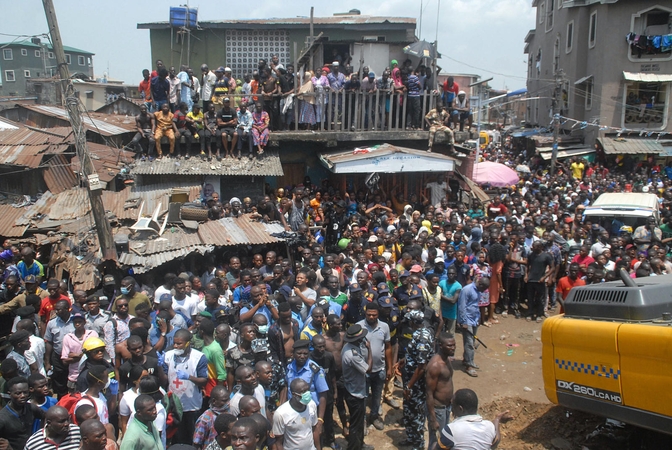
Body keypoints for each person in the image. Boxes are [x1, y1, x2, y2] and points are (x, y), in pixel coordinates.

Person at [164, 328, 208, 444]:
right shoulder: (168, 356)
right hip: (174, 405)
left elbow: (204, 380)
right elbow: (164, 380)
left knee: (192, 437)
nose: (175, 346)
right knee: (177, 438)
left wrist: (189, 377)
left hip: (192, 405)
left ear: (188, 343)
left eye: (179, 343)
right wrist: (159, 367)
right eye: (174, 343)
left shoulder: (198, 357)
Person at [400, 309, 434, 450]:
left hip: (416, 384)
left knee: (417, 414)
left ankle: (418, 445)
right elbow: (413, 355)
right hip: (409, 380)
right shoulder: (417, 334)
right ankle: (411, 438)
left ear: (414, 322)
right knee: (408, 410)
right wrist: (404, 360)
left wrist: (409, 385)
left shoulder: (423, 338)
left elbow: (421, 367)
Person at [438, 388, 512, 450]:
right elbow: (496, 441)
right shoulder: (489, 426)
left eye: (452, 405)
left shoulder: (451, 430)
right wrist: (497, 419)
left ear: (460, 409)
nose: (451, 409)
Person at [356, 302, 391, 431]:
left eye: (374, 315)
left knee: (377, 396)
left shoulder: (384, 327)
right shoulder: (359, 326)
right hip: (363, 370)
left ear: (378, 314)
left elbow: (388, 348)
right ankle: (363, 421)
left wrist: (390, 367)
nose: (371, 317)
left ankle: (374, 417)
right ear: (365, 313)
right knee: (363, 397)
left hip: (379, 369)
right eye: (369, 314)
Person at [341, 324, 373, 450]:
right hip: (355, 394)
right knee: (356, 424)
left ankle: (360, 444)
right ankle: (354, 447)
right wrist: (370, 350)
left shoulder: (349, 347)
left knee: (359, 423)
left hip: (354, 389)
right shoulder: (352, 355)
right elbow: (368, 369)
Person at [425, 333, 456, 450]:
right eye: (449, 346)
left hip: (447, 407)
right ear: (440, 346)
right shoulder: (435, 366)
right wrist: (433, 418)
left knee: (445, 440)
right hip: (438, 410)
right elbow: (429, 393)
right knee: (437, 442)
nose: (453, 348)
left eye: (454, 345)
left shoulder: (447, 360)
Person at [0, 376, 46, 450]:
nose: (23, 396)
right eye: (18, 393)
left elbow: (46, 416)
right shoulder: (3, 418)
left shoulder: (31, 408)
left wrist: (42, 433)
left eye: (25, 392)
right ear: (9, 394)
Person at [272, 378, 319, 450]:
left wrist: (318, 448)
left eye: (307, 390)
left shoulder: (312, 405)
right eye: (303, 392)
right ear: (294, 394)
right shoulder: (281, 413)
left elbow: (315, 430)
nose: (307, 393)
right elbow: (278, 442)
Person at [457, 277, 490, 377]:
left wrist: (478, 318)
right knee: (469, 343)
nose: (484, 291)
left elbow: (475, 305)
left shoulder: (478, 290)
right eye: (483, 288)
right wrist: (463, 321)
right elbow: (462, 306)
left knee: (471, 341)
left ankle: (466, 359)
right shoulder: (467, 290)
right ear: (480, 284)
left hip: (474, 319)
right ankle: (469, 366)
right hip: (467, 321)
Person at [44, 300, 75, 397]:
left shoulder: (77, 321)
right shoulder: (52, 323)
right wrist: (47, 362)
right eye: (56, 309)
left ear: (67, 309)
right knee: (60, 383)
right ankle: (62, 402)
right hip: (58, 357)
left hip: (74, 358)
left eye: (59, 310)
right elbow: (49, 342)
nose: (56, 312)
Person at [193, 385, 231, 450]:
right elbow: (196, 443)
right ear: (214, 401)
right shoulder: (205, 419)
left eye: (228, 399)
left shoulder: (228, 412)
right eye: (224, 401)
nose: (228, 403)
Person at [525, 241, 554, 323]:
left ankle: (539, 314)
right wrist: (526, 275)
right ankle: (530, 313)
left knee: (540, 298)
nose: (533, 248)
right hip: (531, 280)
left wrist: (545, 277)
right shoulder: (531, 255)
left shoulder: (546, 256)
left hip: (540, 280)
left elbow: (552, 268)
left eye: (535, 246)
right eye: (533, 246)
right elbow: (527, 265)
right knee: (530, 298)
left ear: (540, 247)